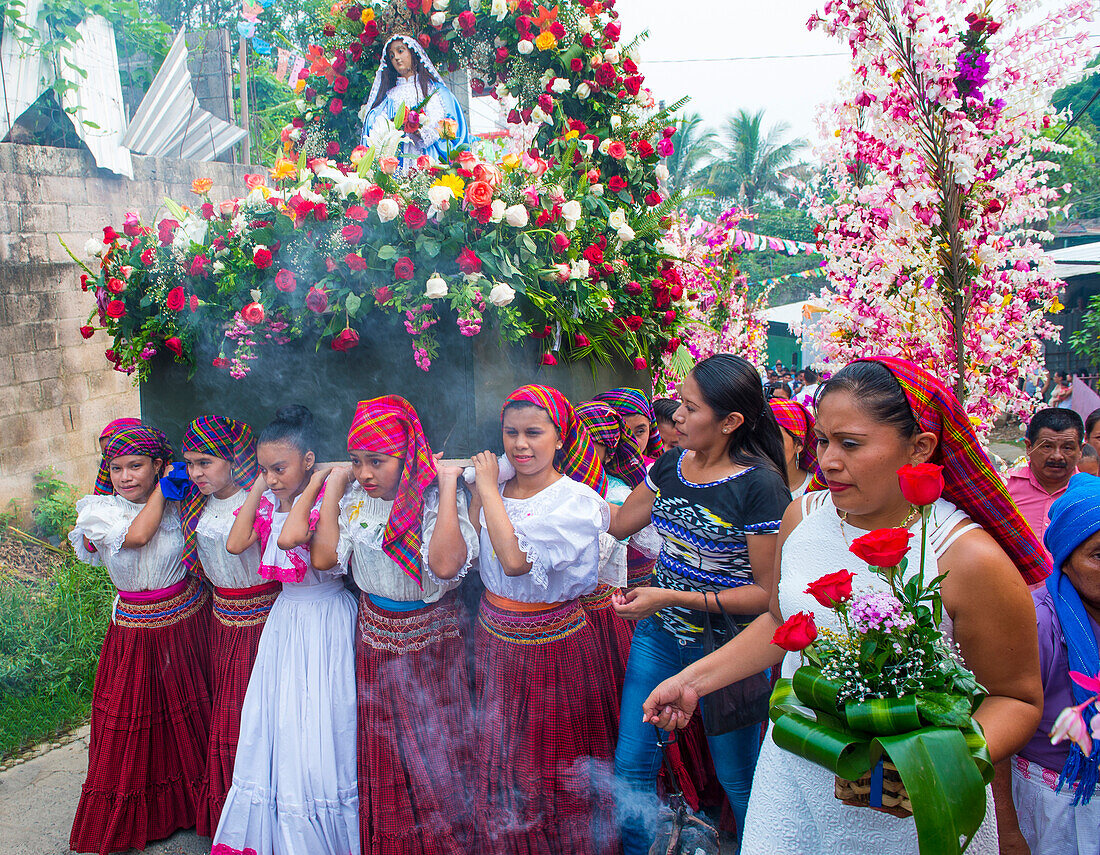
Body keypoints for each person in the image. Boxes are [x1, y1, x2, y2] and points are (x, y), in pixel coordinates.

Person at [641, 356, 1049, 855]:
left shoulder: (967, 557)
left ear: (919, 448)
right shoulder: (801, 516)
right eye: (823, 440)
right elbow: (779, 621)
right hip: (792, 779)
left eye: (851, 444)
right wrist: (692, 682)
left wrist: (928, 765)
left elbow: (1017, 698)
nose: (828, 460)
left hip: (910, 809)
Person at [608, 354, 791, 854]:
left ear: (731, 422)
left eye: (690, 408)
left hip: (728, 649)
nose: (676, 418)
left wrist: (667, 594)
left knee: (739, 778)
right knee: (632, 766)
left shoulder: (759, 486)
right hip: (659, 635)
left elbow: (766, 597)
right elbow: (619, 524)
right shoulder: (671, 463)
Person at [311, 396, 478, 855]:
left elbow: (444, 566)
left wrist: (444, 489)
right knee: (385, 748)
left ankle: (446, 841)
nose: (365, 473)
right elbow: (324, 558)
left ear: (408, 457)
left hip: (432, 642)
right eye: (356, 461)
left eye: (378, 461)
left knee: (436, 746)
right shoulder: (356, 502)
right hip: (375, 641)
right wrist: (334, 488)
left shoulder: (433, 503)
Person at [468, 384, 617, 855]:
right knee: (501, 752)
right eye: (510, 433)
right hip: (494, 635)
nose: (520, 444)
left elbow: (514, 561)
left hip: (553, 644)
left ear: (560, 436)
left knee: (552, 755)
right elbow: (475, 544)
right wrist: (486, 489)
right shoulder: (498, 489)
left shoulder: (573, 502)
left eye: (534, 432)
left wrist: (488, 488)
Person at [212, 405, 360, 855]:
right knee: (282, 719)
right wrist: (261, 485)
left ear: (310, 461)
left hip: (327, 620)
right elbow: (236, 543)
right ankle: (282, 818)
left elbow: (294, 542)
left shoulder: (327, 502)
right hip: (286, 622)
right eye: (263, 468)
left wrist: (317, 486)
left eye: (280, 468)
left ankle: (324, 827)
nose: (272, 477)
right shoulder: (268, 504)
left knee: (325, 719)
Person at [68, 425, 212, 855]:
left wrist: (176, 491)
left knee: (187, 719)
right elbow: (136, 537)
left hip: (185, 623)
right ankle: (138, 815)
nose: (125, 476)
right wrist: (164, 492)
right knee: (132, 724)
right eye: (116, 468)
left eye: (136, 466)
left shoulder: (182, 504)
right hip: (133, 632)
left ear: (158, 467)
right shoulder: (99, 512)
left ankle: (192, 808)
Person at [179, 415, 277, 838]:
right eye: (189, 464)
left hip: (262, 622)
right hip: (221, 620)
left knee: (255, 717)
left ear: (235, 458)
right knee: (227, 712)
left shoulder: (262, 503)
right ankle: (231, 815)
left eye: (205, 462)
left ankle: (265, 817)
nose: (196, 473)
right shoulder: (196, 504)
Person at [1011, 473, 1100, 854]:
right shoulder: (1039, 623)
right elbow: (996, 732)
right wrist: (1009, 834)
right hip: (1059, 805)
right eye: (1098, 555)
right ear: (1065, 560)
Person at [361, 35, 470, 170]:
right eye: (391, 55)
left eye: (400, 51)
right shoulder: (390, 96)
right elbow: (377, 127)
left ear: (413, 52)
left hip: (429, 157)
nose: (396, 57)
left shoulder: (434, 91)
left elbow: (445, 123)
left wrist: (421, 131)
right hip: (399, 161)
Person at [1007, 408, 1084, 546]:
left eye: (1067, 448)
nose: (1057, 456)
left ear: (1080, 451)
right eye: (1047, 446)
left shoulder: (1091, 494)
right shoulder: (1003, 487)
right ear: (1029, 446)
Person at [594, 387, 665, 463]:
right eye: (621, 432)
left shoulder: (656, 471)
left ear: (649, 428)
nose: (633, 442)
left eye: (640, 431)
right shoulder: (588, 470)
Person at [769, 398, 818, 498]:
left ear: (798, 445)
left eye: (776, 438)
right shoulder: (748, 487)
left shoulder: (818, 490)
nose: (766, 445)